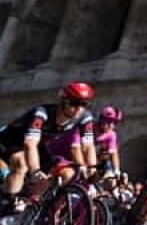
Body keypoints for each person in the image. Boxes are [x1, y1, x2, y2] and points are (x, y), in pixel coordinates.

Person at [0, 82, 97, 216]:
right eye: (74, 103)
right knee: (21, 163)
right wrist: (36, 171)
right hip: (9, 141)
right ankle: (6, 209)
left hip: (37, 146)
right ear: (63, 101)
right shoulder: (42, 113)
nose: (79, 109)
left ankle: (27, 203)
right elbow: (30, 144)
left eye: (84, 104)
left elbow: (88, 145)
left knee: (67, 172)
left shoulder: (85, 117)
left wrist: (92, 168)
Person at [94, 106, 123, 177]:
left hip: (101, 161)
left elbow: (114, 153)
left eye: (115, 123)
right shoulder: (91, 129)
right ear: (102, 121)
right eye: (109, 122)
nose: (112, 126)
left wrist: (117, 170)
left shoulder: (112, 134)